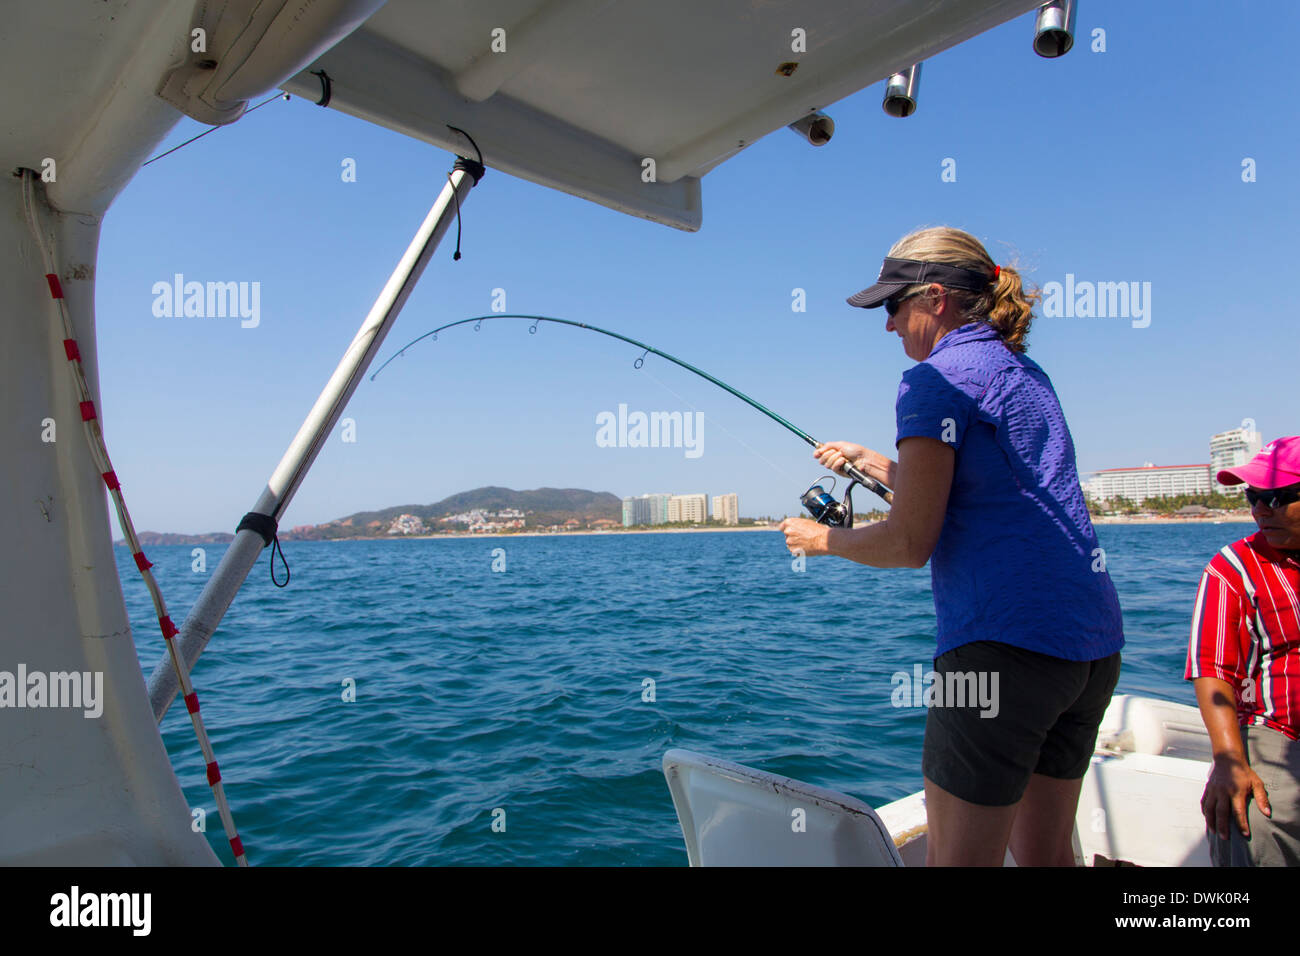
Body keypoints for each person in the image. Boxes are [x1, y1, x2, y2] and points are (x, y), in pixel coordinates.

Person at [779, 226, 1124, 866]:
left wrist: (820, 540)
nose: (887, 326)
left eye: (892, 305)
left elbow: (911, 542)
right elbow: (991, 484)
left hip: (1002, 650)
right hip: (1089, 646)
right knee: (1049, 857)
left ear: (934, 298)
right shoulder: (1022, 370)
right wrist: (875, 463)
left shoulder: (932, 382)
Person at [1187, 435, 1300, 866]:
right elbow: (1212, 667)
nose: (1259, 510)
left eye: (1276, 497)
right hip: (1279, 732)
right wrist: (1230, 760)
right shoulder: (1233, 568)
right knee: (1252, 811)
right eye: (1254, 497)